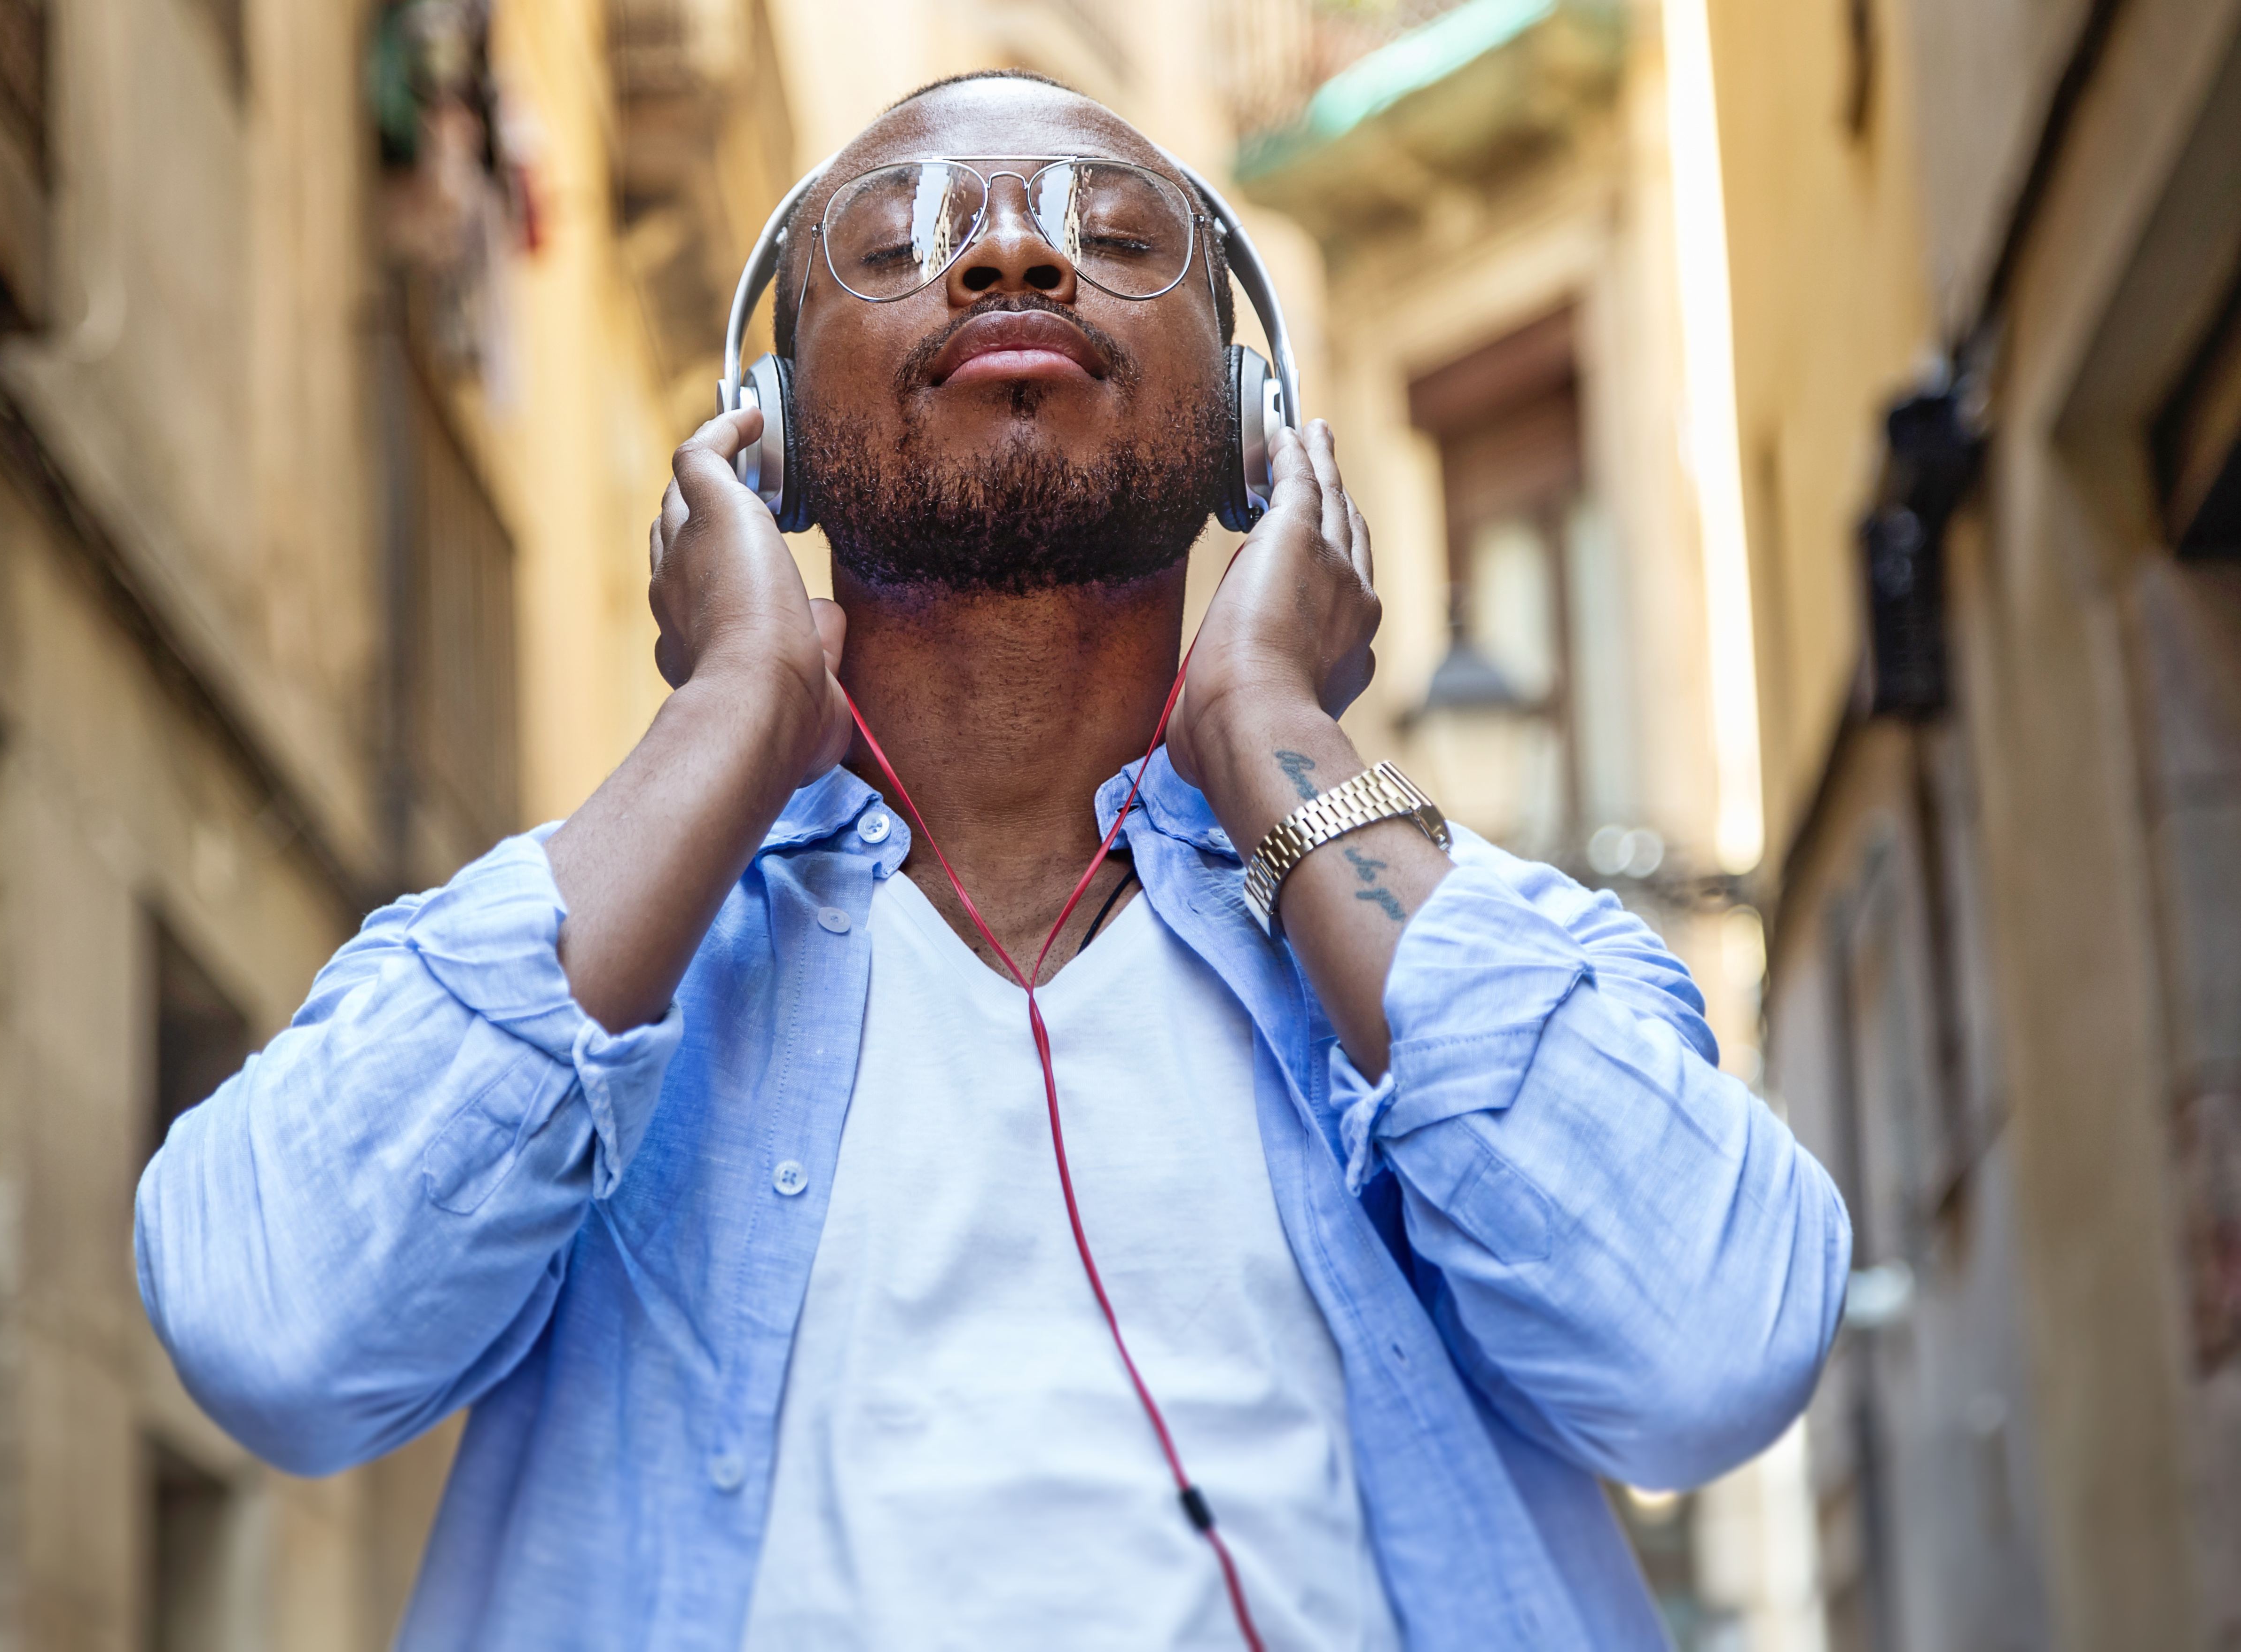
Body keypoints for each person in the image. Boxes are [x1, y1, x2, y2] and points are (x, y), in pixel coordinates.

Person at [136, 70, 1849, 1651]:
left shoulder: (1463, 955)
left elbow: (1709, 1356)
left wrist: (1273, 733)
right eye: (899, 244)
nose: (1012, 249)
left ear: (1259, 416)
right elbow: (274, 1330)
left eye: (1113, 235)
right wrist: (737, 710)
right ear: (771, 432)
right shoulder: (604, 945)